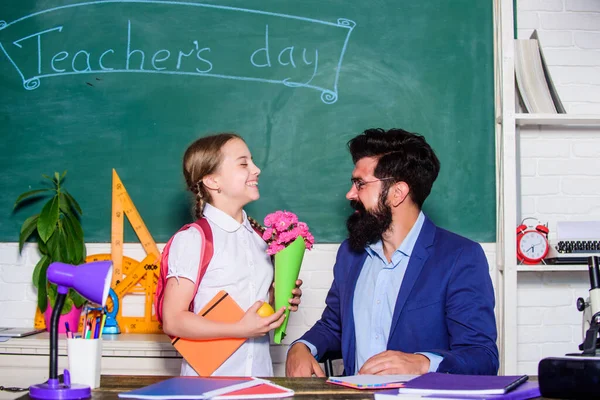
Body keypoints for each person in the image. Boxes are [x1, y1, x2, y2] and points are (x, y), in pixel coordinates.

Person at [286, 128, 498, 377]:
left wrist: (422, 363)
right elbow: (335, 326)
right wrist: (302, 347)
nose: (350, 194)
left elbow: (482, 357)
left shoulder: (460, 257)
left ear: (397, 193)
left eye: (360, 184)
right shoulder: (350, 254)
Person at [161, 132, 302, 377]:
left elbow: (255, 304)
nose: (256, 170)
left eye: (253, 162)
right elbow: (173, 320)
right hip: (208, 384)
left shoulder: (261, 238)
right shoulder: (194, 239)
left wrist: (279, 298)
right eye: (244, 163)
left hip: (260, 377)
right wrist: (239, 329)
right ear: (213, 181)